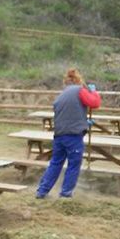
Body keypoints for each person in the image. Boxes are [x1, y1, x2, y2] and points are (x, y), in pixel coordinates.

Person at [35, 68, 101, 199]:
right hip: (73, 136)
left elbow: (68, 113)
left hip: (59, 135)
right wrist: (94, 92)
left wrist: (83, 122)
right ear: (78, 81)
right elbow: (95, 103)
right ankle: (66, 193)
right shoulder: (80, 91)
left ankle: (42, 191)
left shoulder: (61, 96)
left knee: (55, 163)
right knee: (73, 165)